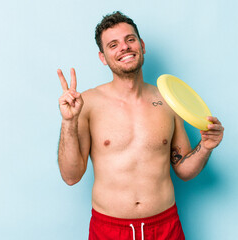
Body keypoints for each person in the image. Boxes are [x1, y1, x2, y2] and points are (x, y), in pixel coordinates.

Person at [57, 11, 224, 240]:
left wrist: (206, 147)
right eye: (113, 44)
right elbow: (71, 176)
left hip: (165, 227)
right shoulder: (87, 104)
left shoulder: (167, 101)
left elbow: (183, 169)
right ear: (103, 57)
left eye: (130, 39)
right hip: (109, 230)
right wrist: (68, 121)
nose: (124, 47)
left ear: (142, 45)